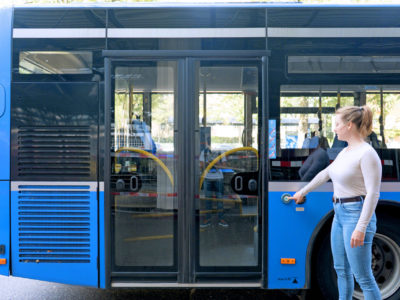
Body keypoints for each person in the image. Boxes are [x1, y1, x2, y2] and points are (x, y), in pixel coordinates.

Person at [289, 105, 382, 300]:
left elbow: (373, 194)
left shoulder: (367, 153)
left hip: (355, 214)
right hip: (339, 214)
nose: (334, 129)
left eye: (337, 124)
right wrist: (303, 191)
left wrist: (361, 227)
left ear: (349, 125)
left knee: (363, 277)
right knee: (341, 270)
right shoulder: (345, 152)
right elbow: (326, 173)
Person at [199, 145, 229, 228]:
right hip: (207, 178)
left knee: (220, 200)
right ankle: (208, 219)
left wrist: (216, 163)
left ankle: (221, 218)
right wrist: (207, 163)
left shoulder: (220, 152)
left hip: (218, 178)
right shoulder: (204, 152)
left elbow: (225, 166)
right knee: (208, 200)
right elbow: (201, 166)